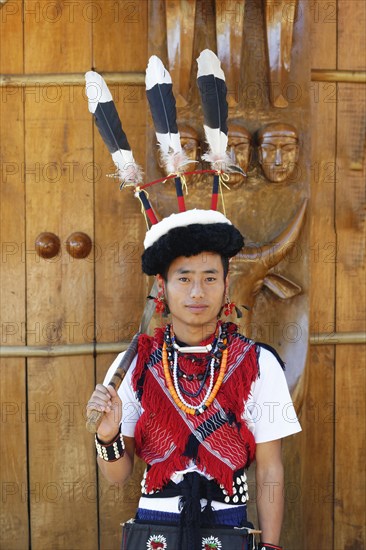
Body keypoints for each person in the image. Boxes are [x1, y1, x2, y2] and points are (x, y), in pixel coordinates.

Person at [87, 209, 301, 550]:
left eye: (210, 278)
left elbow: (270, 469)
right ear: (162, 286)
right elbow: (117, 475)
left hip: (228, 525)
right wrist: (107, 433)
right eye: (184, 278)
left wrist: (271, 546)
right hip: (154, 528)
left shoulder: (258, 363)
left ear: (226, 285)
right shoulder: (136, 363)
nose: (197, 292)